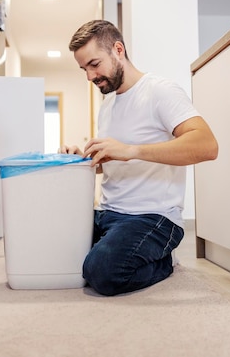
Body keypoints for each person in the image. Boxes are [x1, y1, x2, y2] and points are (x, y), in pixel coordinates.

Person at [60, 20, 218, 296]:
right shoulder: (108, 103)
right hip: (108, 213)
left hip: (152, 217)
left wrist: (131, 149)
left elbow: (207, 145)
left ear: (118, 49)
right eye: (84, 69)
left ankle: (164, 261)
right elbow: (114, 160)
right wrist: (83, 162)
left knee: (102, 273)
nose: (89, 76)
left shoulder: (160, 91)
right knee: (57, 251)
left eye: (94, 64)